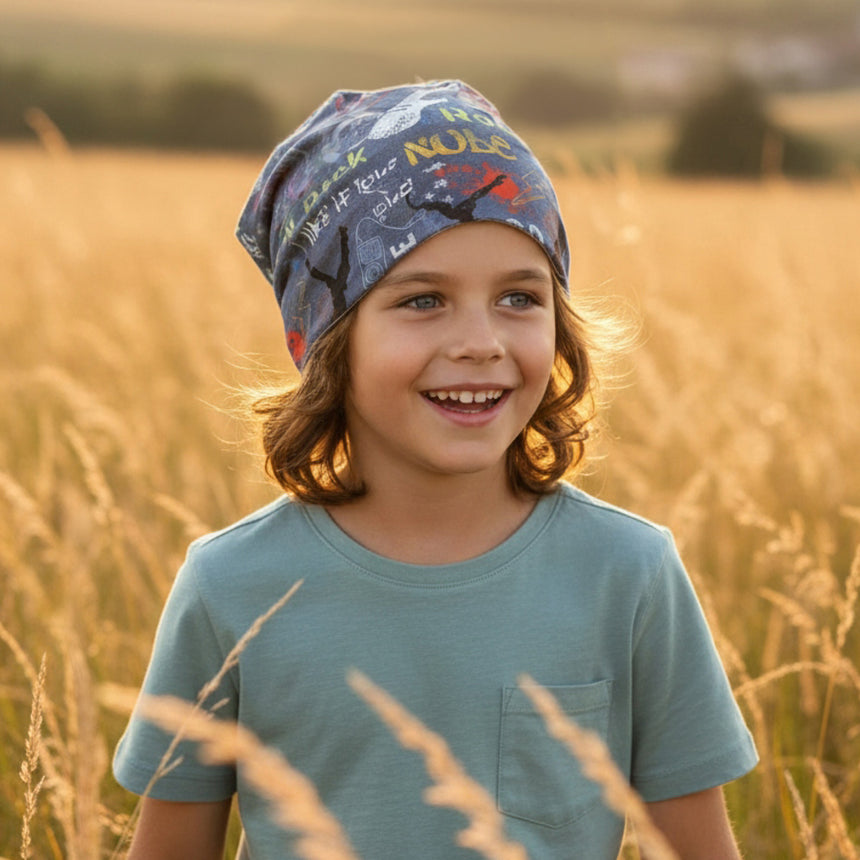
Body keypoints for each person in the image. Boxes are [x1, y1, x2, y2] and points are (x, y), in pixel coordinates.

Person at [113, 80, 757, 859]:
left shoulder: (628, 574)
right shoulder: (231, 589)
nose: (481, 341)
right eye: (423, 301)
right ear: (329, 340)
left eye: (519, 297)